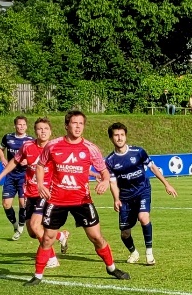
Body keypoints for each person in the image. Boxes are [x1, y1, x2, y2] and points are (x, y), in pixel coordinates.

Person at [26, 111, 129, 284]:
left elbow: (104, 171)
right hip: (57, 200)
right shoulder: (52, 145)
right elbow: (40, 165)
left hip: (82, 200)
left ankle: (111, 268)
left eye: (81, 123)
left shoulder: (90, 148)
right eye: (74, 123)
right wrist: (41, 185)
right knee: (47, 238)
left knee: (96, 237)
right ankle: (37, 275)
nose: (78, 126)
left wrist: (105, 181)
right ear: (66, 125)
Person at [105, 122, 178, 266]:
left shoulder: (138, 152)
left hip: (142, 190)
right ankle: (134, 252)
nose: (119, 138)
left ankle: (149, 254)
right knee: (125, 233)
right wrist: (116, 199)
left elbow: (153, 168)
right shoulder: (110, 161)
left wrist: (167, 184)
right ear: (111, 138)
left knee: (144, 218)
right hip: (125, 198)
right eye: (116, 135)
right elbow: (113, 182)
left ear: (126, 136)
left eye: (122, 135)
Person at [0, 117, 53, 242]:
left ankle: (49, 253)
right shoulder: (27, 146)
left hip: (46, 191)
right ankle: (61, 236)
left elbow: (67, 166)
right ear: (35, 131)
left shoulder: (55, 148)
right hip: (30, 189)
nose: (43, 131)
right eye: (40, 129)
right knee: (33, 232)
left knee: (35, 225)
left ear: (50, 132)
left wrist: (90, 173)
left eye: (46, 129)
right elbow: (14, 161)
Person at [0, 115, 34, 240]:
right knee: (6, 204)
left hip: (24, 175)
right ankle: (15, 225)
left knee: (23, 203)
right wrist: (3, 158)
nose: (21, 127)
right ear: (15, 125)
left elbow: (35, 157)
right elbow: (0, 149)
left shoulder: (30, 140)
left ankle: (21, 227)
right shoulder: (8, 137)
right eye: (19, 124)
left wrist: (27, 162)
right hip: (11, 175)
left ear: (26, 126)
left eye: (24, 125)